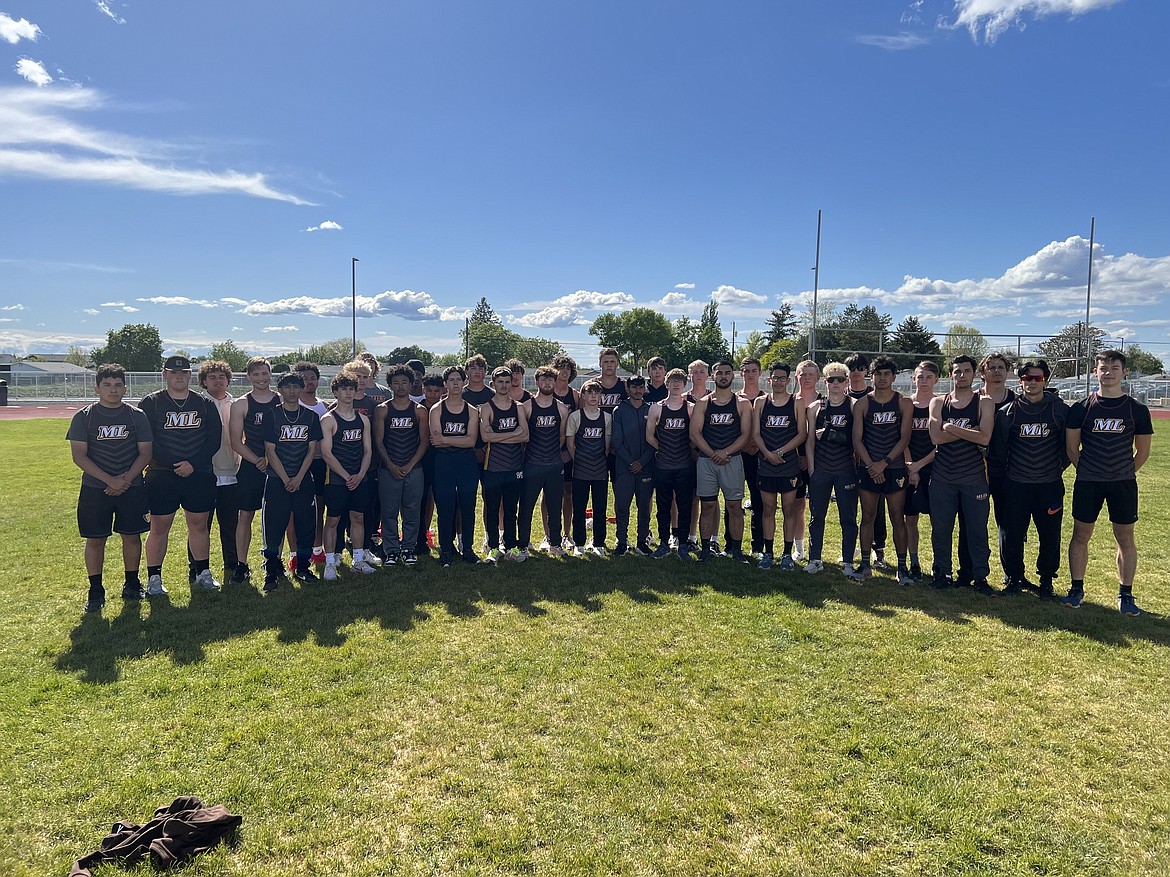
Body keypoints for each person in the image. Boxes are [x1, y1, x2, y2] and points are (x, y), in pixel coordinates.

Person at [1062, 350, 1153, 615]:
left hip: (1122, 483)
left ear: (1123, 372)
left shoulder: (1136, 409)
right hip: (1088, 482)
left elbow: (1143, 452)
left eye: (1114, 367)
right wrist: (1091, 470)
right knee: (1081, 535)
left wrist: (1123, 471)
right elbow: (1071, 449)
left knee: (1125, 537)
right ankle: (1076, 589)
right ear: (1095, 372)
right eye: (1103, 367)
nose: (1108, 372)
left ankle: (1126, 594)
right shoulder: (1081, 408)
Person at [67, 363, 152, 612]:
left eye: (117, 385)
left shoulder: (136, 416)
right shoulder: (84, 416)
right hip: (96, 488)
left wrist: (124, 480)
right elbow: (79, 456)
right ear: (97, 388)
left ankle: (132, 583)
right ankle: (95, 589)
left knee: (132, 535)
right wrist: (109, 480)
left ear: (125, 388)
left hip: (132, 486)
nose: (112, 390)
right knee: (95, 539)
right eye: (107, 385)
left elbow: (145, 452)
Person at [138, 355, 223, 597]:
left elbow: (213, 439)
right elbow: (147, 441)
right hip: (162, 473)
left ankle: (203, 572)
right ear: (165, 375)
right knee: (159, 525)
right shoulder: (151, 403)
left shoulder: (204, 404)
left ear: (190, 376)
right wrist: (175, 463)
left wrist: (193, 464)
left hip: (199, 473)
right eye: (173, 372)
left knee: (198, 524)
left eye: (184, 372)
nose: (179, 376)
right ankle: (154, 577)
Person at [991, 359, 1068, 598]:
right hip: (1016, 485)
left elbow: (1068, 447)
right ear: (1020, 381)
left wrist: (1056, 468)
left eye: (1037, 378)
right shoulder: (1008, 412)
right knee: (1011, 533)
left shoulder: (1059, 410)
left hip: (1049, 486)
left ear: (1045, 380)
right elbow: (999, 452)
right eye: (1027, 379)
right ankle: (1014, 578)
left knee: (1049, 534)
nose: (1032, 383)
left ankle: (1046, 581)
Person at [927, 355, 996, 595]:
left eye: (967, 371)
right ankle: (942, 573)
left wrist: (951, 427)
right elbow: (936, 438)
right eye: (957, 372)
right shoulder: (938, 402)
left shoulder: (984, 403)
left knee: (977, 531)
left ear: (975, 374)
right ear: (950, 375)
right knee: (941, 530)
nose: (962, 375)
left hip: (974, 479)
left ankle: (980, 578)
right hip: (943, 478)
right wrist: (971, 430)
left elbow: (985, 438)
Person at [851, 355, 913, 584]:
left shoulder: (904, 403)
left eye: (887, 374)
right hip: (868, 469)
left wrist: (884, 463)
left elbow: (905, 438)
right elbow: (857, 440)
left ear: (894, 377)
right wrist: (871, 466)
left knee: (898, 517)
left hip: (894, 468)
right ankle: (865, 564)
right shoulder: (863, 403)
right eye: (878, 373)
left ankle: (902, 567)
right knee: (868, 517)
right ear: (872, 376)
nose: (883, 378)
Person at [260, 372, 323, 590]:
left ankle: (304, 567)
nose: (292, 391)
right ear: (280, 390)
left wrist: (298, 478)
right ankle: (272, 570)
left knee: (306, 525)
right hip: (278, 480)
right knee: (274, 527)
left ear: (301, 388)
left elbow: (312, 449)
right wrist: (287, 478)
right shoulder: (272, 416)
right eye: (287, 387)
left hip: (303, 480)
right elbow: (270, 450)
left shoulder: (310, 417)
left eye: (296, 386)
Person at [691, 360, 753, 563]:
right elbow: (695, 433)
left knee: (734, 506)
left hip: (732, 460)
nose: (723, 376)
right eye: (719, 373)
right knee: (708, 506)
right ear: (713, 376)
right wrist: (712, 454)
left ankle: (736, 550)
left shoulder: (742, 404)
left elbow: (746, 435)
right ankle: (706, 549)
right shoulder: (703, 403)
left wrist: (725, 452)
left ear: (733, 376)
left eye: (727, 373)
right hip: (707, 461)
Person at [803, 363, 859, 577]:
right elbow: (810, 441)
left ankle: (847, 563)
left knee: (848, 518)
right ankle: (815, 559)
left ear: (846, 382)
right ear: (824, 382)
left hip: (845, 470)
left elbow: (856, 440)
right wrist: (811, 469)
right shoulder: (815, 408)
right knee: (817, 517)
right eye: (831, 380)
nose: (835, 384)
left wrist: (829, 434)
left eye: (840, 379)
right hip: (822, 469)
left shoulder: (854, 405)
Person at [228, 357, 280, 585]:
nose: (261, 378)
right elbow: (235, 441)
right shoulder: (241, 404)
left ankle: (274, 560)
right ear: (248, 376)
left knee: (277, 517)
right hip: (252, 466)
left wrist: (271, 460)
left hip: (278, 466)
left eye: (264, 373)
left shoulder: (281, 400)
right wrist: (258, 460)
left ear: (270, 375)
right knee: (245, 516)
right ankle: (241, 564)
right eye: (256, 374)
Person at [320, 373, 376, 579]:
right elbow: (327, 453)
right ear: (335, 392)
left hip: (359, 477)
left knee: (358, 517)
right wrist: (346, 476)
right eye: (343, 389)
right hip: (336, 479)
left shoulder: (363, 420)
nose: (348, 393)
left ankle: (358, 560)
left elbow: (368, 450)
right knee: (333, 520)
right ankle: (329, 563)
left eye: (351, 389)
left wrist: (360, 475)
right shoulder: (328, 419)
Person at [752, 361, 807, 570]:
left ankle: (786, 554)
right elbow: (755, 433)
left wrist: (781, 452)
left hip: (788, 464)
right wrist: (767, 453)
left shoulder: (796, 402)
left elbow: (802, 433)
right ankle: (768, 552)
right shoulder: (760, 402)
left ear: (789, 380)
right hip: (766, 463)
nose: (778, 381)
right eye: (775, 378)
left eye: (782, 378)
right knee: (768, 509)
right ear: (769, 379)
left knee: (789, 509)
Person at [373, 365, 429, 566]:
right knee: (389, 512)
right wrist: (391, 465)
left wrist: (410, 464)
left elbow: (424, 441)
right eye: (396, 382)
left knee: (412, 511)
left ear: (411, 383)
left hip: (414, 470)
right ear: (390, 385)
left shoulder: (419, 410)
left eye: (404, 382)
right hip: (389, 470)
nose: (400, 386)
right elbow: (378, 441)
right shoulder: (383, 409)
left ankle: (408, 548)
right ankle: (391, 551)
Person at [191, 359, 239, 582]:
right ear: (203, 381)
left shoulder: (236, 404)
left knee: (230, 523)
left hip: (231, 470)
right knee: (200, 524)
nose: (218, 381)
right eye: (212, 377)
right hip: (204, 472)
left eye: (222, 377)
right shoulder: (197, 404)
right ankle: (197, 566)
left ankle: (233, 563)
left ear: (228, 380)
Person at [429, 366, 482, 567]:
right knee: (445, 507)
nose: (455, 383)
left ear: (464, 381)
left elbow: (471, 441)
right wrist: (456, 439)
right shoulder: (437, 409)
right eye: (451, 380)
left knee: (468, 506)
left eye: (459, 379)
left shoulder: (471, 410)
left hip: (466, 463)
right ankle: (446, 549)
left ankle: (467, 548)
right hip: (444, 463)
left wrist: (446, 439)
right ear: (445, 384)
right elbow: (436, 440)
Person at [479, 365, 529, 562]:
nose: (504, 385)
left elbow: (525, 436)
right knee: (491, 510)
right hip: (492, 467)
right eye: (500, 382)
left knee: (510, 510)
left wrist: (497, 435)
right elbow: (485, 437)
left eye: (507, 382)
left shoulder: (518, 407)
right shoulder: (486, 408)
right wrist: (513, 433)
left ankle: (511, 547)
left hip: (514, 467)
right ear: (493, 384)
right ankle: (492, 548)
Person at [519, 365, 569, 557]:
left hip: (554, 465)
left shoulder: (562, 408)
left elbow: (562, 436)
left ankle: (555, 543)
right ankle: (523, 544)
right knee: (526, 506)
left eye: (551, 380)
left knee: (555, 505)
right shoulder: (527, 407)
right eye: (544, 380)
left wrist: (554, 456)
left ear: (555, 383)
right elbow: (523, 437)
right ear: (537, 382)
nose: (547, 383)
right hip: (532, 464)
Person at [844, 352, 889, 569]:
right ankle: (853, 547)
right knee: (850, 506)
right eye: (851, 369)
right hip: (846, 460)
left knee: (876, 509)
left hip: (872, 461)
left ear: (866, 373)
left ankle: (878, 549)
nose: (856, 373)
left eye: (860, 368)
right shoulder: (840, 394)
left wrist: (874, 462)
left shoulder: (875, 395)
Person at [647, 369, 695, 560]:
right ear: (667, 384)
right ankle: (664, 543)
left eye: (679, 382)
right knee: (663, 506)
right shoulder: (656, 408)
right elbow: (649, 436)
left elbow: (695, 434)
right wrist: (662, 448)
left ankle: (683, 544)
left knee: (684, 506)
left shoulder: (690, 408)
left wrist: (687, 450)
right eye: (672, 381)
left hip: (684, 465)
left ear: (685, 385)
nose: (676, 385)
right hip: (663, 466)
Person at [903, 361, 940, 582]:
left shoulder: (941, 404)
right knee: (910, 519)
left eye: (928, 377)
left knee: (939, 520)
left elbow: (941, 443)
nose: (923, 381)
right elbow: (902, 437)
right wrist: (911, 466)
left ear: (936, 379)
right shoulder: (906, 404)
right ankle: (914, 562)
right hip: (909, 469)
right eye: (920, 376)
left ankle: (939, 563)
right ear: (913, 379)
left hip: (935, 468)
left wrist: (921, 465)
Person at [566, 379, 611, 556]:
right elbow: (570, 444)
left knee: (600, 507)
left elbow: (607, 446)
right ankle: (579, 543)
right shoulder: (575, 417)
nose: (593, 396)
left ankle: (599, 542)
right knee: (579, 507)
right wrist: (581, 461)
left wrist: (597, 461)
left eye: (596, 393)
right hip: (580, 470)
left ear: (600, 396)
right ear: (583, 396)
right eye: (589, 393)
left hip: (600, 470)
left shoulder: (607, 418)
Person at [290, 361, 328, 569]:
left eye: (312, 378)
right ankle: (295, 553)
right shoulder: (289, 405)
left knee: (318, 508)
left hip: (319, 463)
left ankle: (317, 549)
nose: (309, 382)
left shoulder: (324, 406)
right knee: (294, 511)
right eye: (304, 378)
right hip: (295, 464)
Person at [612, 375, 655, 556]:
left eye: (640, 387)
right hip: (624, 467)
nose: (637, 391)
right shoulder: (619, 410)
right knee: (622, 506)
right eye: (634, 387)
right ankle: (622, 541)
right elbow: (616, 441)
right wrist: (631, 462)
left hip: (646, 466)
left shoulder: (652, 409)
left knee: (644, 506)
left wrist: (642, 461)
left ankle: (642, 541)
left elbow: (654, 440)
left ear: (645, 388)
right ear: (627, 388)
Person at [729, 357, 765, 557]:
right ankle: (730, 544)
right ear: (741, 374)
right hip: (737, 454)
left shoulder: (765, 398)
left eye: (754, 371)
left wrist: (754, 445)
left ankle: (757, 546)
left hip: (757, 455)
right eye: (746, 371)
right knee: (732, 500)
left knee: (758, 501)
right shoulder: (733, 398)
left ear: (759, 373)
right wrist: (742, 446)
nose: (750, 374)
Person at [791, 359, 822, 561]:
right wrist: (798, 456)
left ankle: (815, 548)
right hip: (794, 460)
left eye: (811, 374)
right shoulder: (790, 401)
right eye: (803, 374)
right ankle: (799, 547)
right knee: (797, 505)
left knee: (818, 507)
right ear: (796, 377)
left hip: (821, 461)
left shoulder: (826, 401)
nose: (807, 378)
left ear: (818, 378)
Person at [413, 373, 444, 556]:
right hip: (422, 461)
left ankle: (448, 541)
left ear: (442, 390)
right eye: (430, 390)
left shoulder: (447, 408)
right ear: (424, 390)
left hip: (443, 461)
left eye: (437, 390)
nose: (433, 394)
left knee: (445, 502)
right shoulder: (417, 409)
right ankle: (420, 540)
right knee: (420, 501)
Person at [551, 354, 580, 550]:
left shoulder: (575, 395)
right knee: (550, 493)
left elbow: (580, 423)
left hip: (567, 451)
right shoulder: (546, 391)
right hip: (547, 451)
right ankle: (548, 534)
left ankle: (567, 534)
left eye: (568, 369)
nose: (564, 371)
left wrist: (570, 450)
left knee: (568, 492)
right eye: (561, 368)